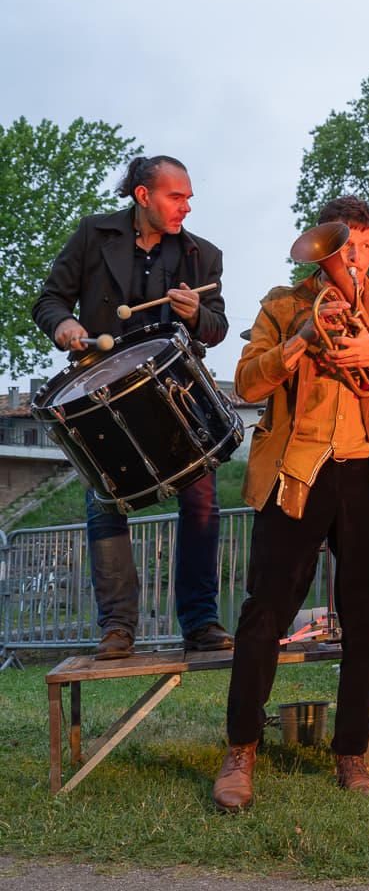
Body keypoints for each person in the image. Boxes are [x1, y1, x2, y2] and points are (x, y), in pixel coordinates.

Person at [212, 196, 369, 810]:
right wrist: (301, 339)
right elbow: (248, 382)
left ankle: (350, 755)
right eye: (342, 246)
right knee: (265, 613)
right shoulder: (283, 303)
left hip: (366, 471)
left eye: (362, 246)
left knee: (366, 619)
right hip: (296, 470)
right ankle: (241, 751)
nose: (352, 258)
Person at [31, 155, 231, 660]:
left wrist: (197, 313)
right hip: (100, 393)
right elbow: (49, 301)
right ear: (143, 196)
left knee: (202, 500)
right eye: (175, 196)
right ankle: (117, 627)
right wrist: (65, 328)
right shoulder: (93, 235)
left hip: (175, 396)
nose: (186, 206)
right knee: (105, 505)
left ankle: (201, 622)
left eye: (188, 197)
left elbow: (217, 327)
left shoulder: (201, 255)